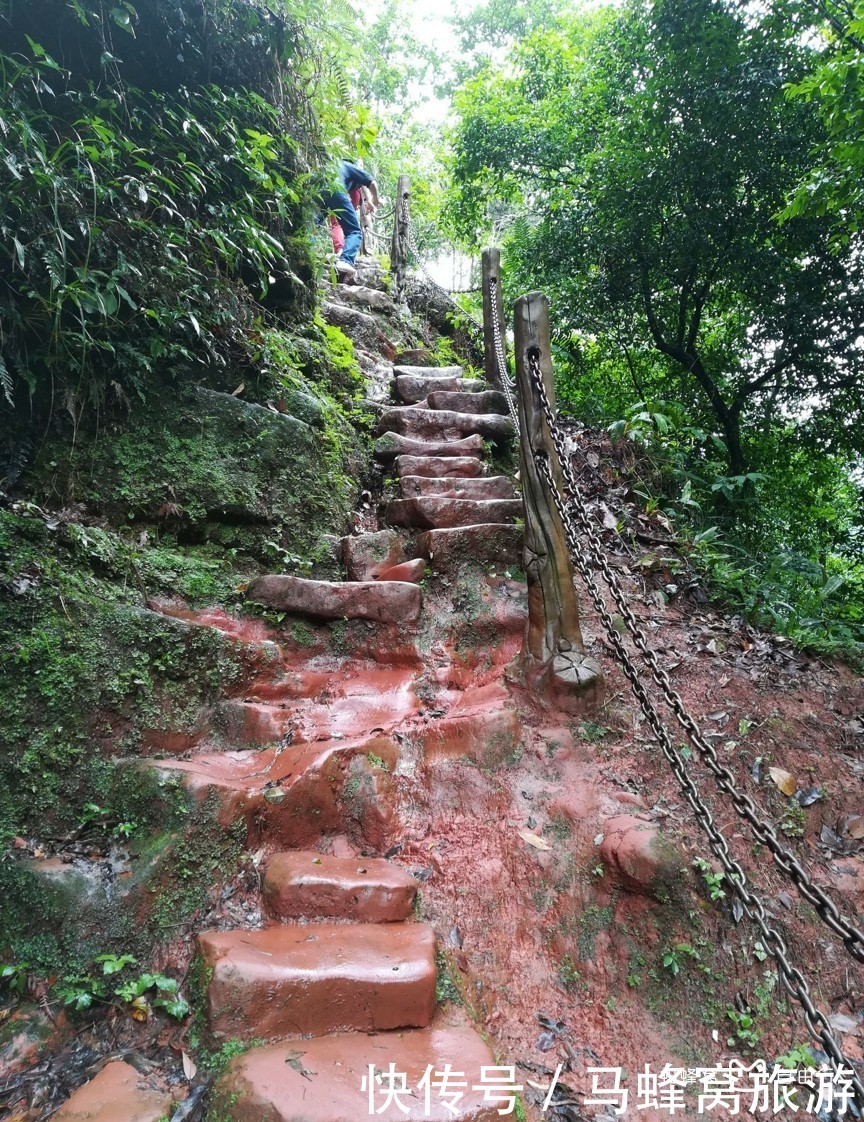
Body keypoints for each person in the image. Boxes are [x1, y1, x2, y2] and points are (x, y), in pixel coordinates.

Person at [321, 159, 380, 279]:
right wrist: (375, 200)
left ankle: (302, 253)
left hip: (319, 190)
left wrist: (368, 199)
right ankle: (345, 260)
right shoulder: (350, 166)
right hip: (337, 190)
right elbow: (371, 182)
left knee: (310, 224)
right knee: (354, 231)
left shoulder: (331, 165)